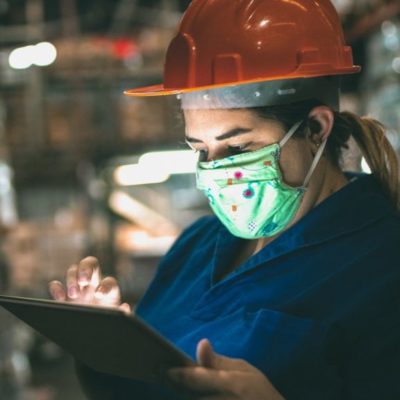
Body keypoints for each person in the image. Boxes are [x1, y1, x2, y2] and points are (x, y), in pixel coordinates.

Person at [49, 0, 400, 399]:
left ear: (317, 128)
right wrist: (102, 344)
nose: (214, 172)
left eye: (236, 149)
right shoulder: (196, 245)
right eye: (200, 150)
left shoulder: (383, 267)